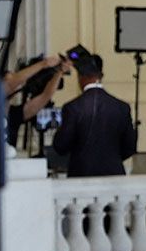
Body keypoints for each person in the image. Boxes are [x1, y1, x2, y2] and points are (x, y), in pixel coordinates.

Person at [50, 50, 138, 178]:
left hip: (81, 175)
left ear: (81, 77)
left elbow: (61, 146)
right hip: (114, 175)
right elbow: (130, 146)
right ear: (101, 75)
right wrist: (110, 159)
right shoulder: (122, 107)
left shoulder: (73, 108)